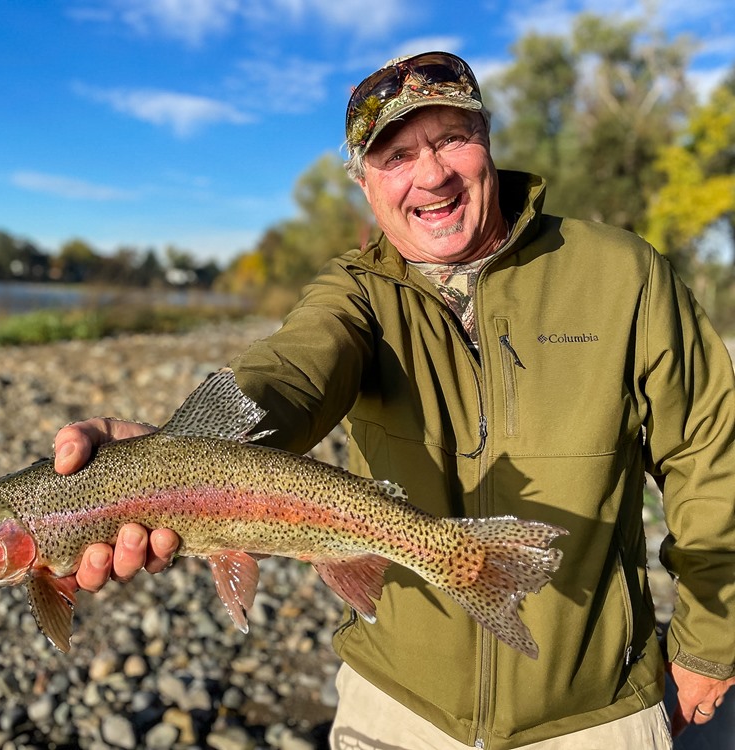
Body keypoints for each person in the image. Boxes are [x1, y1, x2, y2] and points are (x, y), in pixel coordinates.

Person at [52, 52, 735, 748]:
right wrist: (169, 454)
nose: (431, 174)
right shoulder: (355, 294)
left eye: (450, 140)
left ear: (488, 142)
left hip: (595, 708)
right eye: (397, 154)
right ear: (365, 184)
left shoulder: (621, 272)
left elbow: (712, 456)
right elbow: (289, 372)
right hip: (396, 703)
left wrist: (710, 643)